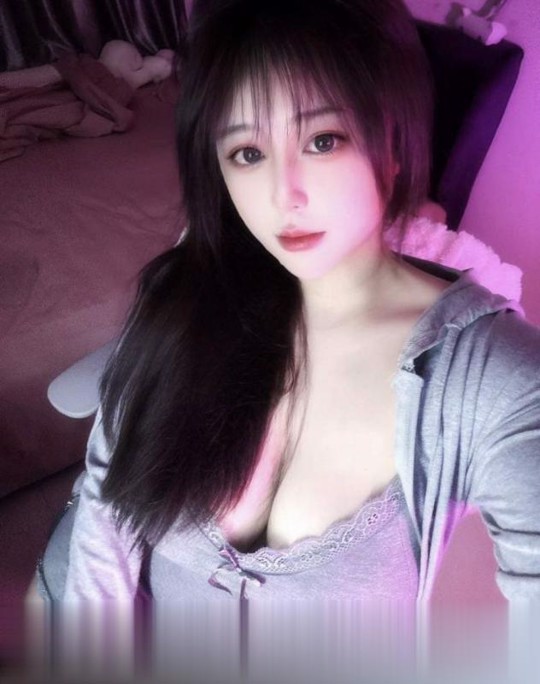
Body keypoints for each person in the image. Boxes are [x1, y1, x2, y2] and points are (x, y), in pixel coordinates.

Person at [32, 0, 540, 681]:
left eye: (322, 140)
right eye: (247, 152)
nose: (283, 194)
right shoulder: (187, 294)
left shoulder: (494, 378)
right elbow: (105, 507)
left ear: (392, 144)